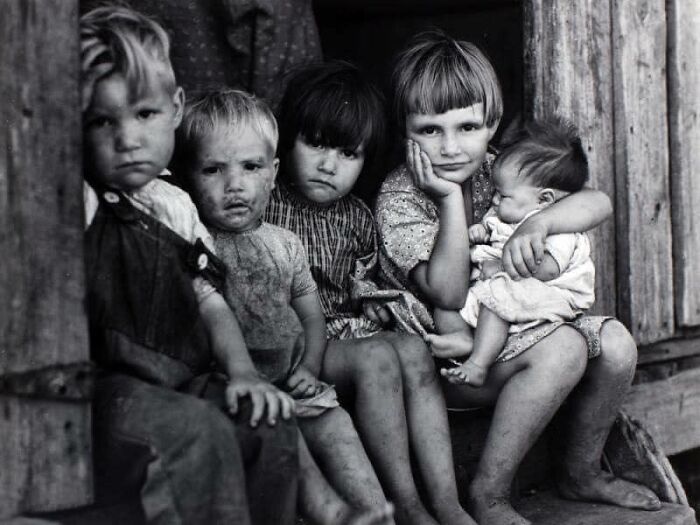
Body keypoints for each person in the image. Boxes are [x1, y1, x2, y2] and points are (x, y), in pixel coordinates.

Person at [373, 31, 661, 525]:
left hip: (518, 329)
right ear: (405, 130)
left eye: (467, 127)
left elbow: (597, 202)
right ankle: (489, 493)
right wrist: (448, 200)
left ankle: (581, 472)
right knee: (565, 348)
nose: (450, 147)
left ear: (492, 123)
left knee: (616, 345)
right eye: (430, 130)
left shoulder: (499, 168)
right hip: (452, 364)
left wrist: (540, 222)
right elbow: (449, 292)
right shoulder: (400, 198)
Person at [80, 7, 298, 524]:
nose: (128, 138)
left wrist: (243, 374)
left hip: (180, 377)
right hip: (107, 390)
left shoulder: (177, 206)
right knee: (197, 432)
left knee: (267, 420)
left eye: (144, 114)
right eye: (103, 120)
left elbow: (209, 299)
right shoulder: (82, 200)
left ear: (176, 108)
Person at [264, 61, 476, 525]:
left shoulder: (358, 216)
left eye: (348, 153)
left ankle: (447, 502)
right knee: (378, 357)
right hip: (297, 346)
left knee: (412, 349)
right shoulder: (266, 203)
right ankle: (407, 504)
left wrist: (372, 302)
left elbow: (364, 282)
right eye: (315, 144)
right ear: (287, 140)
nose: (328, 165)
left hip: (345, 332)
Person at [176, 88, 394, 525]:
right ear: (188, 177)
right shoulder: (196, 245)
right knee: (282, 439)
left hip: (293, 380)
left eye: (251, 167)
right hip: (238, 392)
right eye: (213, 170)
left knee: (337, 428)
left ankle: (376, 515)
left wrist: (309, 368)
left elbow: (311, 315)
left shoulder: (285, 243)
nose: (234, 185)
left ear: (273, 173)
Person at [434, 118, 596, 387]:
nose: (494, 200)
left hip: (549, 292)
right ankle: (464, 338)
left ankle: (478, 364)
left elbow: (548, 269)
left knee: (498, 300)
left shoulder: (559, 231)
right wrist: (481, 232)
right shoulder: (511, 209)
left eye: (503, 195)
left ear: (544, 199)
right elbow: (493, 227)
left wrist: (499, 267)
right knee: (446, 307)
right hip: (511, 286)